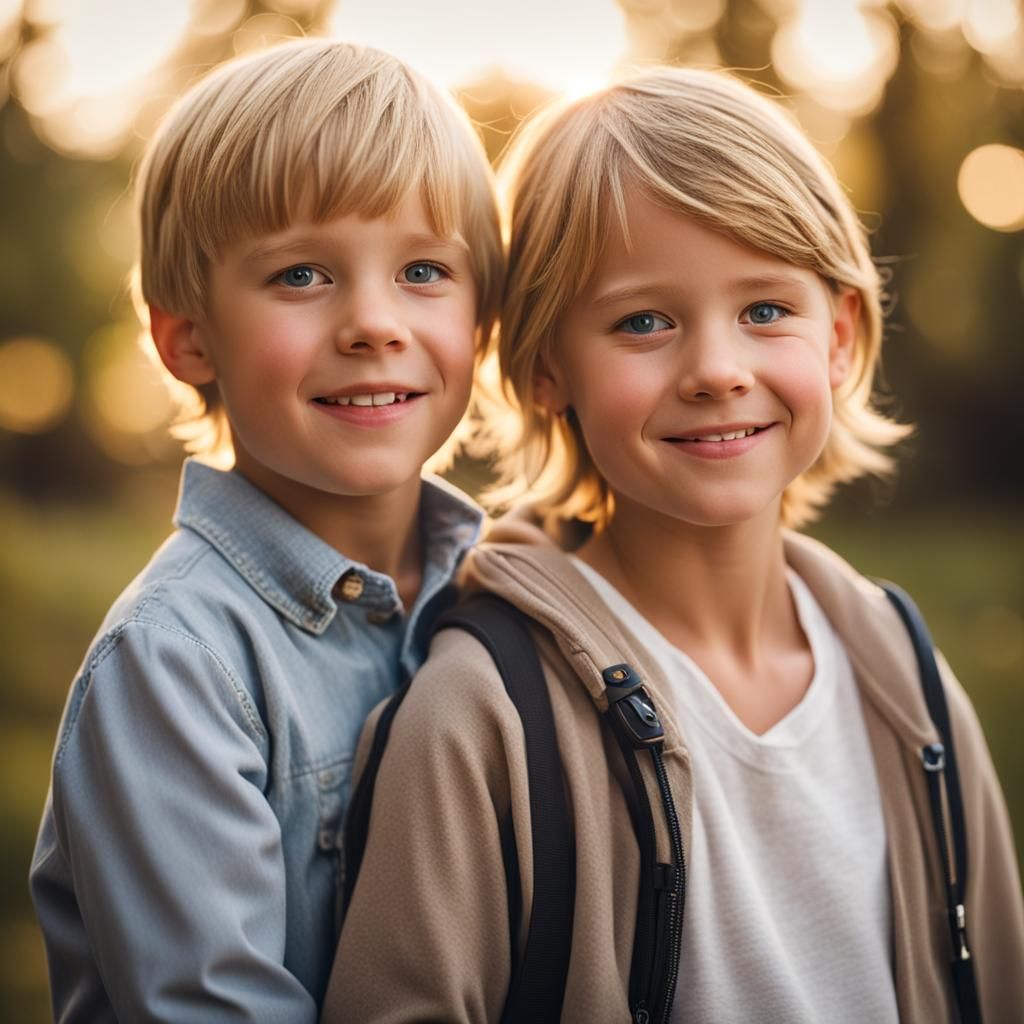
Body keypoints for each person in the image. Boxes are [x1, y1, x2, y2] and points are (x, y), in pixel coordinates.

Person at [323, 67, 1024, 1022]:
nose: (717, 371)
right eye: (643, 322)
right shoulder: (481, 714)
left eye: (766, 309)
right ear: (544, 371)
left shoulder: (908, 683)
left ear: (841, 336)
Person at [28, 38, 501, 1022]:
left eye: (421, 268)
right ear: (186, 337)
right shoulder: (174, 662)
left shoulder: (507, 589)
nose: (374, 322)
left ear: (483, 324)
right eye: (300, 276)